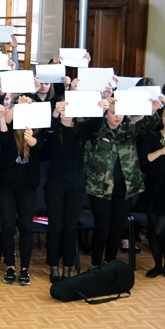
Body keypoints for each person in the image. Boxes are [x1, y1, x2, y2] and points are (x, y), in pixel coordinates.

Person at [83, 96, 163, 267]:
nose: (117, 117)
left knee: (118, 226)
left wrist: (153, 110)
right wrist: (99, 111)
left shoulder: (129, 129)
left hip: (125, 187)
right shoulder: (97, 130)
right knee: (102, 227)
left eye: (120, 113)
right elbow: (85, 128)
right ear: (106, 114)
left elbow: (147, 125)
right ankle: (96, 265)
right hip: (99, 186)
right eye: (113, 113)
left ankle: (110, 262)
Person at [43, 100, 102, 282]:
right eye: (63, 110)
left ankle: (67, 267)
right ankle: (54, 266)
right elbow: (48, 128)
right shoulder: (53, 129)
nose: (66, 113)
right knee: (55, 226)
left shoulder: (81, 129)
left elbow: (96, 122)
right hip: (55, 183)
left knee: (70, 226)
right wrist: (54, 113)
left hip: (76, 183)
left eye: (69, 109)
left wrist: (100, 106)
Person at [0, 100, 44, 286]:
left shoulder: (38, 130)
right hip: (6, 186)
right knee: (7, 226)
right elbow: (3, 131)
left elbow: (43, 148)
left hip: (28, 187)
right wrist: (17, 106)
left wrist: (33, 141)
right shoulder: (9, 127)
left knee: (26, 227)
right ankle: (10, 266)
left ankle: (25, 269)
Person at [137, 101, 165, 278]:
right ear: (161, 117)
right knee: (153, 230)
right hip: (153, 185)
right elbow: (143, 161)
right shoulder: (153, 137)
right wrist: (161, 151)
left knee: (158, 230)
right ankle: (157, 265)